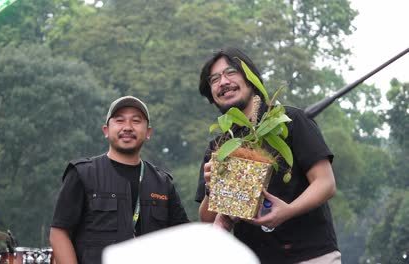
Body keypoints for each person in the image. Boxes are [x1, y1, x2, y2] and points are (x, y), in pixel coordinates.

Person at [194, 47, 341, 264]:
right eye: (214, 79)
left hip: (309, 255)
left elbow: (325, 183)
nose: (223, 82)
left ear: (251, 79)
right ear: (211, 94)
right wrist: (212, 189)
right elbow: (207, 219)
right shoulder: (219, 147)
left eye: (231, 72)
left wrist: (288, 211)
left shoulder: (288, 120)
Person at [50, 95, 190, 264]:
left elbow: (183, 237)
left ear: (148, 133)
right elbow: (59, 233)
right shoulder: (82, 174)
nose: (128, 127)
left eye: (136, 121)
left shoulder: (162, 183)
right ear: (106, 130)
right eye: (119, 120)